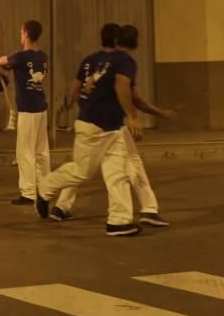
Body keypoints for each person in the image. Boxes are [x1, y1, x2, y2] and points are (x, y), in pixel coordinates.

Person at [52, 24, 176, 226]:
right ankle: (145, 210)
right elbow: (133, 97)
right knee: (128, 165)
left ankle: (61, 206)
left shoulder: (92, 60)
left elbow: (73, 91)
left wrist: (83, 104)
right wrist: (145, 115)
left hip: (88, 120)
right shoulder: (122, 62)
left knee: (81, 167)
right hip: (110, 124)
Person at [36, 24, 143, 236]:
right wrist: (132, 116)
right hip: (96, 125)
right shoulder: (125, 61)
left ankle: (119, 221)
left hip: (110, 126)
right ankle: (45, 188)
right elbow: (122, 85)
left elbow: (76, 87)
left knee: (117, 172)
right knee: (82, 171)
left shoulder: (94, 59)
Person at [0, 20, 49, 207]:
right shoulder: (43, 56)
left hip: (28, 109)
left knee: (25, 152)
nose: (20, 35)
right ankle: (46, 188)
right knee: (41, 152)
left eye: (21, 32)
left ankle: (28, 193)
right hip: (41, 107)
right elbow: (18, 67)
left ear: (26, 34)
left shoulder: (20, 56)